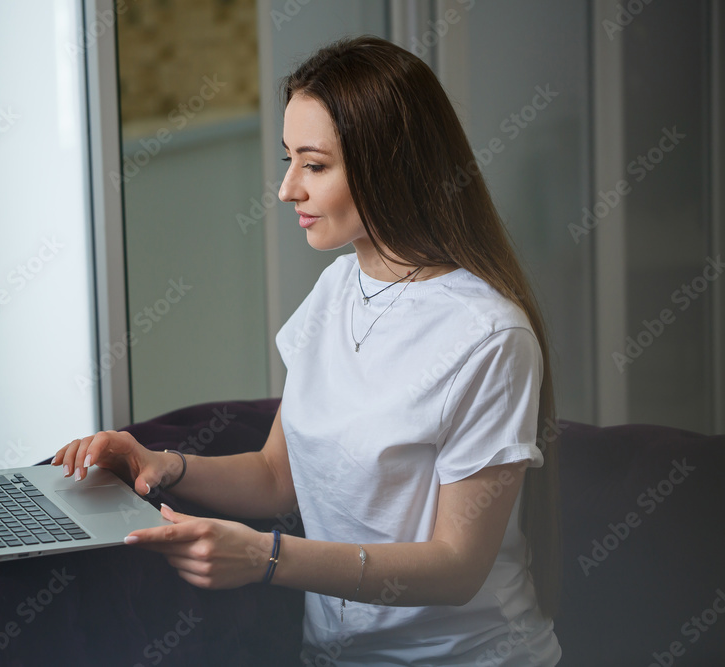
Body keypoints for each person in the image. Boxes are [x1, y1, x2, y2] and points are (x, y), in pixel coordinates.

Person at [53, 35, 562, 666]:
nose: (287, 189)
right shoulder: (336, 288)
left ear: (392, 163)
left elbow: (458, 568)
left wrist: (266, 558)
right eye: (288, 159)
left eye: (314, 165)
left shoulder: (489, 337)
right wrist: (157, 463)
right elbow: (275, 479)